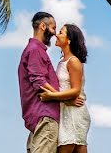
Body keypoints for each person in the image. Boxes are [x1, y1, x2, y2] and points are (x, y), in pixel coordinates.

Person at [18, 12, 84, 153]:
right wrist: (65, 99)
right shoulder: (35, 50)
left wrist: (60, 99)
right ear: (43, 26)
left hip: (41, 116)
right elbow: (38, 80)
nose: (54, 33)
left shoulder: (36, 50)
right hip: (44, 116)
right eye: (54, 28)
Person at [39, 24, 91, 153]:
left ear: (69, 40)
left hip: (74, 113)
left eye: (61, 33)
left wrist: (51, 96)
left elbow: (76, 91)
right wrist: (63, 100)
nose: (56, 35)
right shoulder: (62, 61)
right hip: (66, 109)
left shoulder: (73, 61)